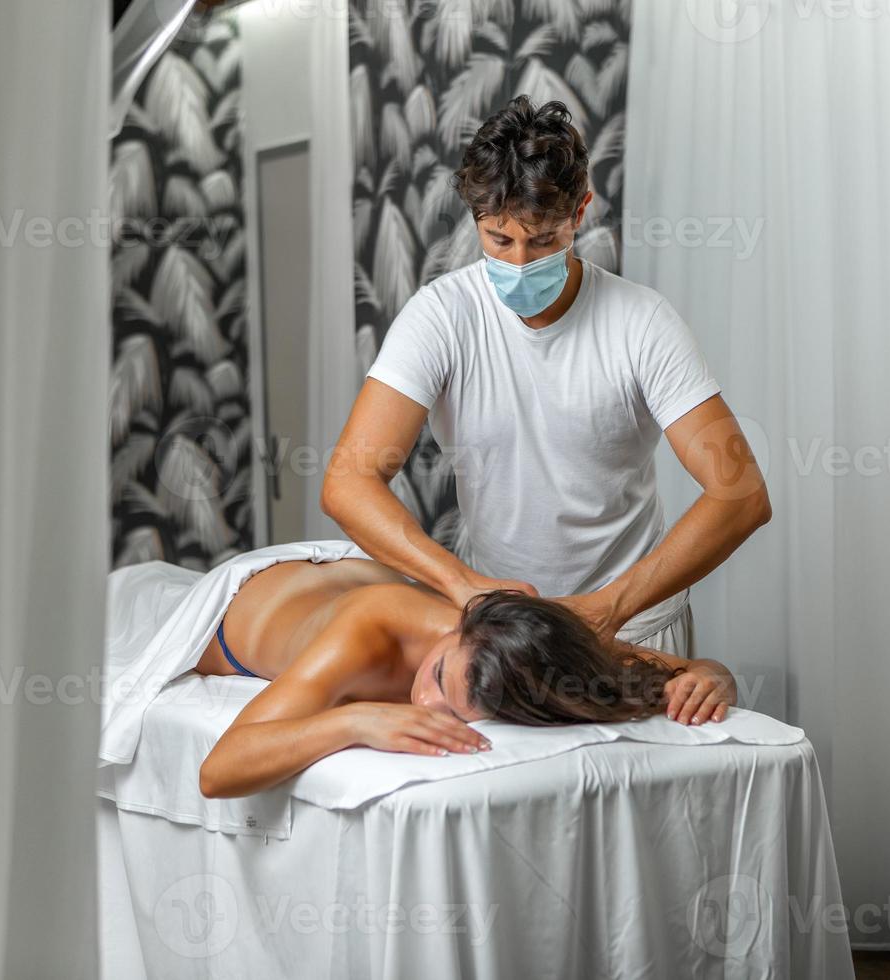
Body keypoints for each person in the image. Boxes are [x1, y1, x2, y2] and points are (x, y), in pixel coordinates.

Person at [321, 95, 771, 658]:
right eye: (499, 240)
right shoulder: (440, 316)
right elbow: (347, 483)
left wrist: (609, 606)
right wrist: (460, 585)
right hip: (505, 630)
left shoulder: (643, 322)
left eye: (543, 240)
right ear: (477, 221)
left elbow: (742, 494)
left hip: (632, 625)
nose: (518, 263)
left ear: (579, 214)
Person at [195, 554, 738, 799]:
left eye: (454, 707)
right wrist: (355, 721)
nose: (426, 704)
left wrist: (714, 676)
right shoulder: (365, 632)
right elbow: (218, 772)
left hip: (336, 574)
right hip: (232, 607)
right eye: (436, 675)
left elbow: (690, 669)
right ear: (461, 622)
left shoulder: (523, 643)